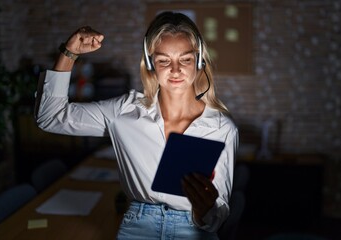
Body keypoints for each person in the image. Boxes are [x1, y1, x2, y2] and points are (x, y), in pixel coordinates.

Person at [35, 11, 238, 240]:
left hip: (194, 230)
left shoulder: (222, 128)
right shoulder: (124, 112)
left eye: (185, 59)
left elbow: (219, 214)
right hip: (138, 227)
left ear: (199, 61)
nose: (175, 69)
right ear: (151, 63)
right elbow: (50, 117)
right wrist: (68, 53)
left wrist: (207, 210)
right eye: (164, 60)